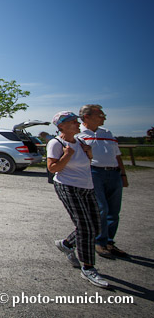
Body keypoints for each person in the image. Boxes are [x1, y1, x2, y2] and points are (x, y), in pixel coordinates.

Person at [47, 111, 108, 288]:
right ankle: (88, 268)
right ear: (61, 126)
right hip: (67, 186)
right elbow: (52, 168)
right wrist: (67, 155)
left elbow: (86, 164)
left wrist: (89, 154)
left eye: (76, 121)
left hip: (87, 187)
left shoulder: (81, 142)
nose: (77, 123)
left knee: (95, 225)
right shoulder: (56, 143)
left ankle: (66, 244)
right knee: (85, 226)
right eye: (72, 122)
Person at [78, 104, 129, 259]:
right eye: (100, 115)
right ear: (87, 116)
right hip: (94, 173)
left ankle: (109, 242)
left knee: (114, 210)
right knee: (101, 208)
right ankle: (99, 242)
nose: (104, 117)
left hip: (113, 172)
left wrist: (123, 174)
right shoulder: (78, 135)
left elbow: (117, 155)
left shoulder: (107, 133)